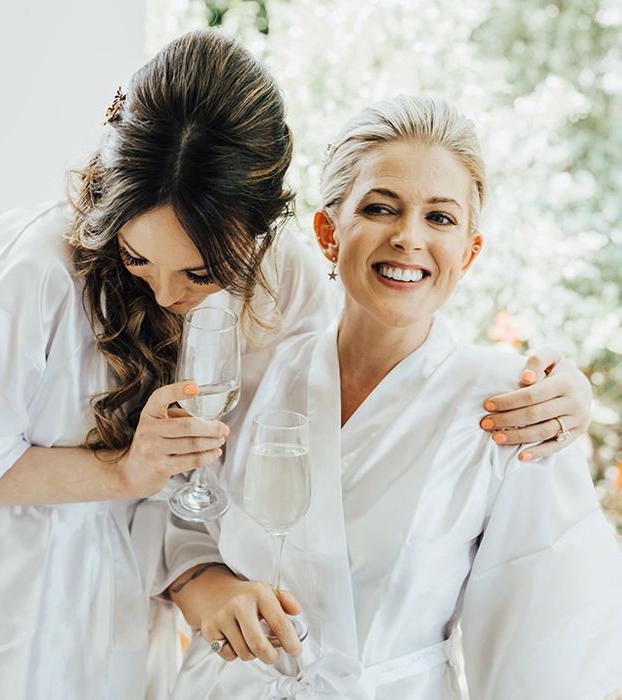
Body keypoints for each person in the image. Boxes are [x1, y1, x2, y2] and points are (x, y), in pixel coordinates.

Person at [0, 28, 591, 698]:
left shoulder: (276, 273)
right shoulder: (40, 264)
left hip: (133, 619)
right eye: (137, 258)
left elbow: (370, 379)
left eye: (198, 275)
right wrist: (128, 473)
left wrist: (563, 394)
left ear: (257, 235)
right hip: (6, 609)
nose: (166, 293)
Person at [166, 96, 622, 699]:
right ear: (328, 233)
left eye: (440, 218)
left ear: (469, 251)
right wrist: (213, 589)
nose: (409, 238)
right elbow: (181, 527)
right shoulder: (248, 381)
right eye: (381, 208)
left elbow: (549, 642)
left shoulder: (515, 413)